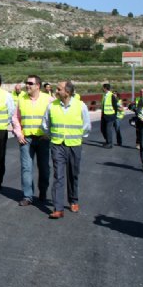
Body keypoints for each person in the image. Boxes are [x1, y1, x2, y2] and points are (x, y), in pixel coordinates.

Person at [42, 81, 91, 219]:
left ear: (67, 92)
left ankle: (73, 200)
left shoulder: (80, 106)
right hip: (58, 145)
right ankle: (58, 208)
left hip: (74, 145)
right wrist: (53, 136)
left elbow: (86, 126)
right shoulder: (52, 106)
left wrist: (77, 137)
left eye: (59, 89)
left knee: (73, 173)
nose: (56, 91)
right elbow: (45, 125)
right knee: (58, 175)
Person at [11, 75, 53, 206]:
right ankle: (27, 196)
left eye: (30, 83)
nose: (27, 85)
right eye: (26, 83)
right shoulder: (21, 99)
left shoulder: (49, 99)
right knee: (26, 168)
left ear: (38, 86)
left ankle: (43, 190)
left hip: (43, 139)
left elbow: (54, 117)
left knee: (44, 168)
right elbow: (15, 117)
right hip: (26, 139)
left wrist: (49, 134)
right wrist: (18, 133)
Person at [100, 83, 119, 148]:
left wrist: (114, 115)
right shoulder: (104, 95)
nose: (102, 89)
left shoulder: (111, 96)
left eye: (103, 87)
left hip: (110, 115)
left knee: (108, 130)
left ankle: (109, 143)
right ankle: (107, 140)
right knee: (102, 129)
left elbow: (115, 106)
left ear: (105, 88)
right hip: (104, 115)